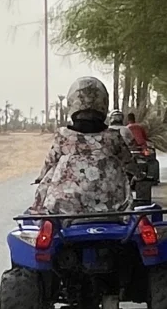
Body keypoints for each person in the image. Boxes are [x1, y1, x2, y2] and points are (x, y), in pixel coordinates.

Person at [33, 75, 137, 216]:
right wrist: (140, 175)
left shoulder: (63, 136)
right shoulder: (113, 136)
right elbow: (129, 164)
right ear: (103, 104)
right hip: (112, 206)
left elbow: (49, 164)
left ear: (72, 103)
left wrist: (40, 178)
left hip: (65, 207)